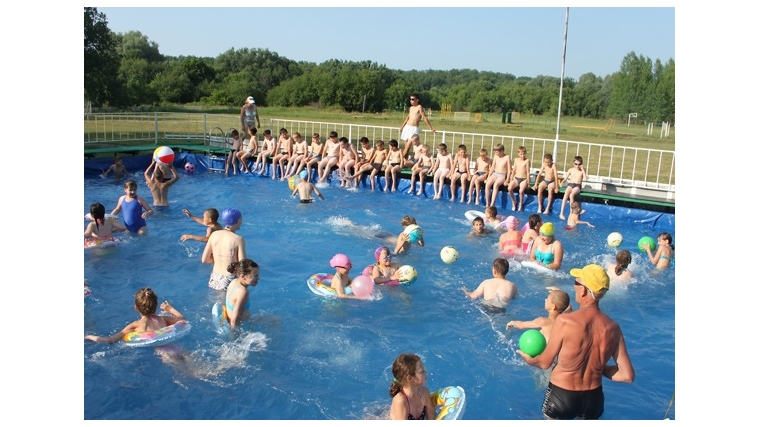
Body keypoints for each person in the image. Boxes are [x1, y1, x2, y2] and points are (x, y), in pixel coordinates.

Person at [516, 264, 635, 420]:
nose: (575, 286)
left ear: (584, 289)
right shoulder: (614, 328)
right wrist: (597, 366)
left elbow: (545, 363)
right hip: (594, 399)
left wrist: (529, 359)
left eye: (576, 283)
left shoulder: (565, 321)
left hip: (562, 395)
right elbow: (627, 376)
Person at [84, 287, 185, 344]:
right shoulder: (162, 318)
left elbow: (110, 340)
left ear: (136, 307)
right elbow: (181, 319)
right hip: (175, 345)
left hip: (164, 353)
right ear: (156, 305)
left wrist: (88, 336)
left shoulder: (136, 325)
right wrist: (170, 309)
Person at [201, 208, 246, 291]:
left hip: (214, 277)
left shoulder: (214, 235)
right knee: (227, 303)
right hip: (229, 279)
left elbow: (204, 260)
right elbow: (242, 264)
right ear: (238, 220)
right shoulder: (238, 239)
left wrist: (220, 259)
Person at [507, 288, 571, 342]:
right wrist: (559, 294)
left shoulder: (543, 321)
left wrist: (512, 322)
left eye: (548, 299)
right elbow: (569, 308)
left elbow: (521, 325)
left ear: (553, 307)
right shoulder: (566, 321)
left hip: (546, 352)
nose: (545, 300)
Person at [389, 353, 435, 420]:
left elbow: (431, 417)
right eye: (422, 371)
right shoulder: (401, 401)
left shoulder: (424, 393)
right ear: (410, 378)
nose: (426, 372)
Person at [223, 259, 260, 330]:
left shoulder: (233, 282)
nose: (258, 278)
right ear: (243, 276)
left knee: (274, 319)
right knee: (275, 321)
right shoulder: (243, 292)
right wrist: (233, 336)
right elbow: (235, 320)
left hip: (238, 322)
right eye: (255, 276)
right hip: (244, 328)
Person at [507, 146, 530, 211]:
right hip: (517, 178)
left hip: (524, 179)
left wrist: (528, 182)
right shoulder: (516, 160)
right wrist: (511, 179)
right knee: (509, 188)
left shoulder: (527, 161)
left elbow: (528, 172)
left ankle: (520, 204)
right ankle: (513, 201)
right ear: (518, 154)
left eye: (524, 154)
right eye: (521, 154)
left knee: (521, 190)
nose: (522, 156)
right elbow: (514, 170)